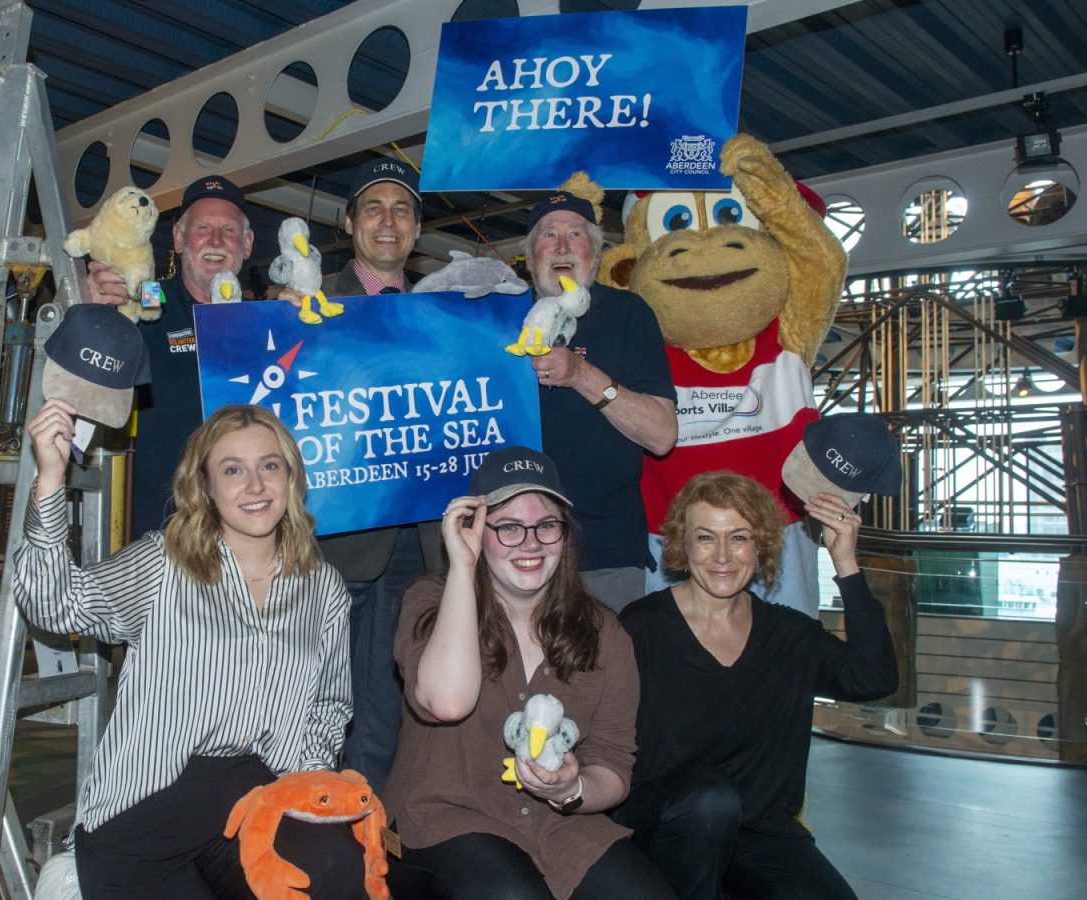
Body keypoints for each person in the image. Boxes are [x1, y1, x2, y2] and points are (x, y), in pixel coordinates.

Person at [14, 398, 364, 899]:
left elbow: (329, 707)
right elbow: (56, 606)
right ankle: (79, 867)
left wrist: (307, 793)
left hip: (258, 799)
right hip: (151, 806)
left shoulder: (322, 587)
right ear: (205, 486)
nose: (256, 486)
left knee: (331, 870)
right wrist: (50, 479)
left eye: (270, 466)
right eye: (232, 470)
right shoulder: (162, 563)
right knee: (230, 782)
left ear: (291, 477)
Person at [380, 447, 673, 900]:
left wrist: (571, 787)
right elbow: (446, 702)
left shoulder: (605, 631)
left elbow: (613, 768)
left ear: (565, 535)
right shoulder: (431, 601)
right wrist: (462, 566)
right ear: (475, 530)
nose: (531, 543)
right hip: (441, 819)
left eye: (546, 526)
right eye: (509, 527)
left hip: (557, 826)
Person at [613, 471, 898, 900]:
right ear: (682, 545)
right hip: (664, 824)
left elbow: (873, 677)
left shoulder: (788, 635)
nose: (723, 556)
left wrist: (846, 564)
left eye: (739, 537)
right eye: (706, 537)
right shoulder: (639, 628)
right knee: (710, 799)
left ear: (759, 544)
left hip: (757, 829)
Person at [312, 156, 443, 793]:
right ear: (349, 223)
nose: (387, 222)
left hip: (419, 545)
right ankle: (314, 819)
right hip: (336, 539)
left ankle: (369, 829)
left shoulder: (449, 316)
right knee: (320, 694)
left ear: (417, 229)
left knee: (394, 704)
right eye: (373, 208)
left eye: (401, 210)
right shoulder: (307, 305)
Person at [521, 187, 677, 613]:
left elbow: (662, 435)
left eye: (576, 235)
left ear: (596, 250)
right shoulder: (496, 318)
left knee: (605, 677)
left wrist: (581, 375)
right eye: (548, 236)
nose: (562, 246)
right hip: (513, 547)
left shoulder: (629, 314)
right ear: (531, 255)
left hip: (605, 550)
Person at [84, 175, 255, 540]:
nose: (215, 240)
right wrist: (99, 302)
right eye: (203, 228)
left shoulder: (265, 323)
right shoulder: (153, 299)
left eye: (229, 230)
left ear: (248, 244)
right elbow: (121, 298)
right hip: (158, 538)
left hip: (246, 538)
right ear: (178, 239)